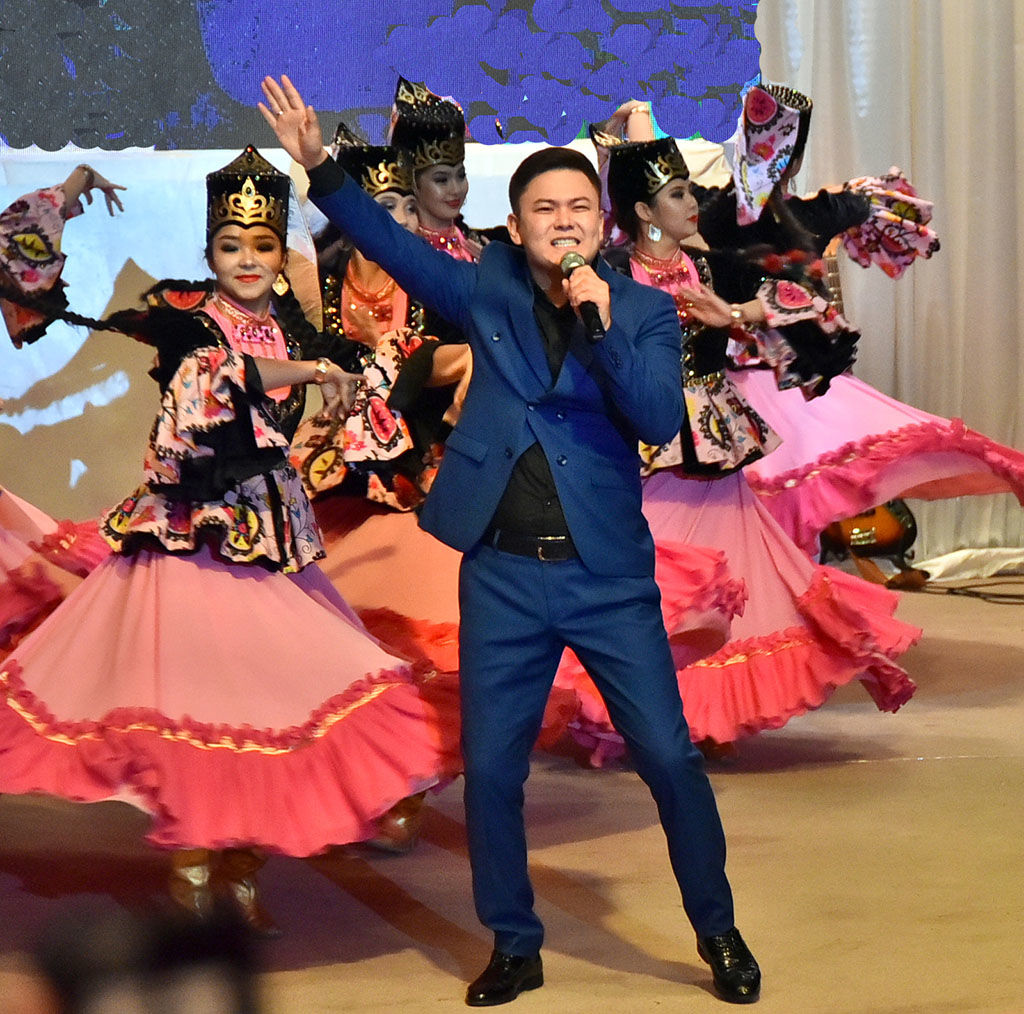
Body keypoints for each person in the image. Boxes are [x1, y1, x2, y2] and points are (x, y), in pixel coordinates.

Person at [262, 74, 760, 1006]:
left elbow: (656, 416)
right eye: (544, 209)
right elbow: (394, 247)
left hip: (607, 577)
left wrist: (598, 320)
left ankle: (718, 929)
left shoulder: (643, 310)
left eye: (578, 208)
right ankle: (514, 942)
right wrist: (321, 168)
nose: (563, 222)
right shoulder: (485, 284)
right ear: (517, 223)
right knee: (492, 770)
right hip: (502, 574)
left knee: (669, 756)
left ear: (601, 223)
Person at [0, 147, 460, 935]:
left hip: (270, 545)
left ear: (282, 255)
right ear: (209, 252)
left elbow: (382, 374)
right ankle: (193, 874)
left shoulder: (293, 331)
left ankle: (241, 870)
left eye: (263, 245)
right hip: (189, 547)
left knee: (282, 704)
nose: (247, 259)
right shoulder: (185, 319)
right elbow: (221, 375)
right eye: (230, 245)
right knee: (199, 710)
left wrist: (408, 370)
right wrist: (69, 190)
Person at [551, 129, 919, 761]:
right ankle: (634, 708)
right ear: (643, 211)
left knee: (734, 589)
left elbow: (809, 304)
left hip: (713, 451)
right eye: (676, 193)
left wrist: (737, 314)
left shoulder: (712, 265)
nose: (692, 202)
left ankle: (703, 715)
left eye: (689, 189)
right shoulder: (608, 273)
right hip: (639, 449)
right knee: (653, 585)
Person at [699, 84, 1024, 556]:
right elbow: (883, 210)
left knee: (750, 510)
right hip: (790, 383)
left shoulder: (704, 211)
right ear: (795, 160)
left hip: (741, 382)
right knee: (788, 503)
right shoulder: (817, 212)